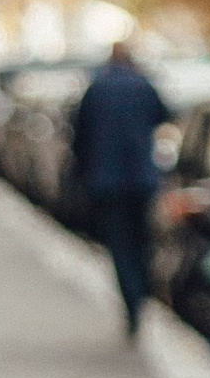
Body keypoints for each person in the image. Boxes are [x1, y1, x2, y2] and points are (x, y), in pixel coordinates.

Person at [71, 37, 173, 337]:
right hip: (141, 178)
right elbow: (165, 115)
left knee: (120, 246)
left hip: (106, 182)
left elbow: (80, 136)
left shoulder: (96, 88)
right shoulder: (142, 84)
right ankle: (141, 295)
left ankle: (133, 301)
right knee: (143, 242)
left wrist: (81, 175)